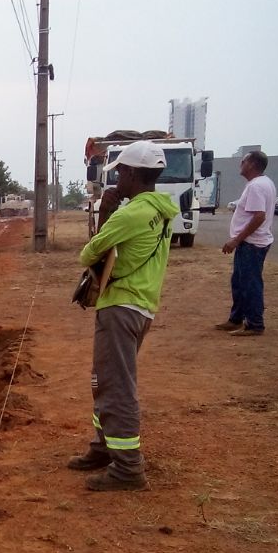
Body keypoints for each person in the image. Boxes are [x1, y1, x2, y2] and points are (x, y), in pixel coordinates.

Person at [68, 140, 178, 492]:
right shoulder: (161, 210)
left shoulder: (131, 214)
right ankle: (104, 448)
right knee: (106, 381)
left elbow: (89, 253)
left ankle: (128, 467)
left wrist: (106, 214)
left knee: (116, 386)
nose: (117, 181)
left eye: (120, 174)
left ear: (132, 173)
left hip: (120, 307)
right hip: (141, 306)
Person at [215, 151, 275, 336]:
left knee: (250, 283)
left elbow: (259, 216)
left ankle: (255, 324)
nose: (241, 163)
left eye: (244, 160)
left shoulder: (256, 186)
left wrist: (236, 239)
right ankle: (236, 319)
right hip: (251, 243)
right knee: (240, 282)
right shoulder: (262, 183)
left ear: (252, 164)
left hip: (251, 243)